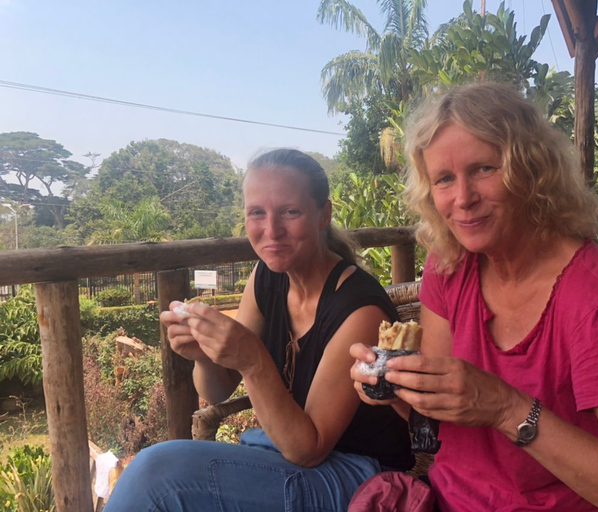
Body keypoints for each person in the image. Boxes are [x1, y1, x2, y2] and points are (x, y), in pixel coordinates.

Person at [350, 83, 598, 512]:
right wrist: (391, 386)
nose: (463, 199)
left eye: (483, 169)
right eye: (444, 179)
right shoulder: (449, 265)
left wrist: (507, 408)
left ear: (532, 170)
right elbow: (437, 419)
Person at [105, 149, 413, 512]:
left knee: (156, 476)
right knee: (156, 475)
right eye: (257, 213)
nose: (271, 230)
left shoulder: (359, 308)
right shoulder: (268, 276)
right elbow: (217, 389)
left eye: (290, 212)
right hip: (282, 453)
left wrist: (253, 360)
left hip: (362, 475)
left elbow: (309, 448)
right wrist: (204, 355)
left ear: (323, 215)